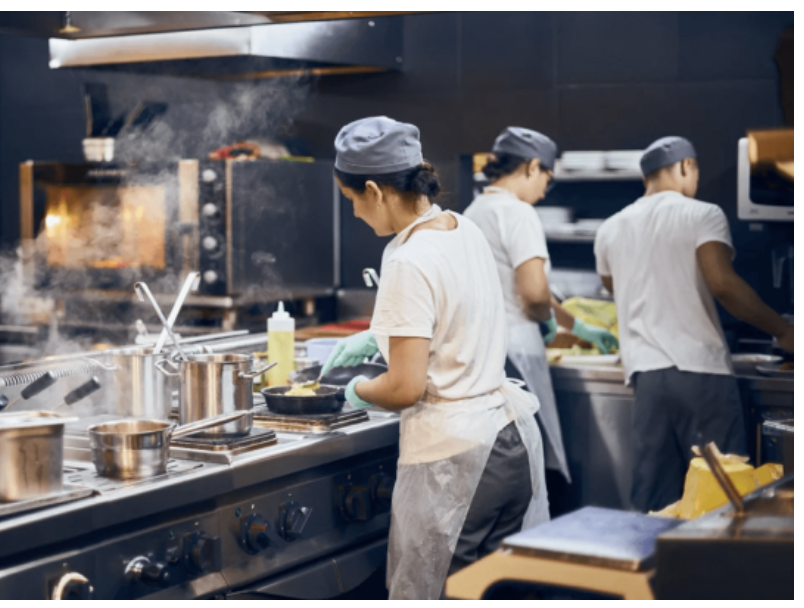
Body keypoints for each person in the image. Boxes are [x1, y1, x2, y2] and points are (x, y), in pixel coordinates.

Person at [322, 116, 549, 600]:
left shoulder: (407, 258)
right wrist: (376, 336)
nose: (357, 216)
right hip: (509, 442)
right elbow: (450, 318)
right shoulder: (460, 227)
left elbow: (404, 388)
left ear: (374, 191)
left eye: (352, 202)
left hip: (459, 463)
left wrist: (348, 392)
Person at [594, 136, 795, 513]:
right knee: (720, 491)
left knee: (656, 499)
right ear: (686, 167)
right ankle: (712, 570)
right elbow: (723, 284)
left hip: (646, 377)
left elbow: (612, 287)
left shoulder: (610, 228)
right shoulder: (702, 214)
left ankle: (655, 569)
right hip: (700, 373)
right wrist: (782, 330)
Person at [463, 127, 619, 484]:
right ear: (532, 167)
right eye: (547, 177)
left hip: (483, 350)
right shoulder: (518, 213)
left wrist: (575, 325)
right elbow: (533, 295)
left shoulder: (474, 211)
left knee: (499, 459)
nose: (546, 188)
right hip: (516, 352)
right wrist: (546, 322)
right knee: (527, 462)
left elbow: (523, 287)